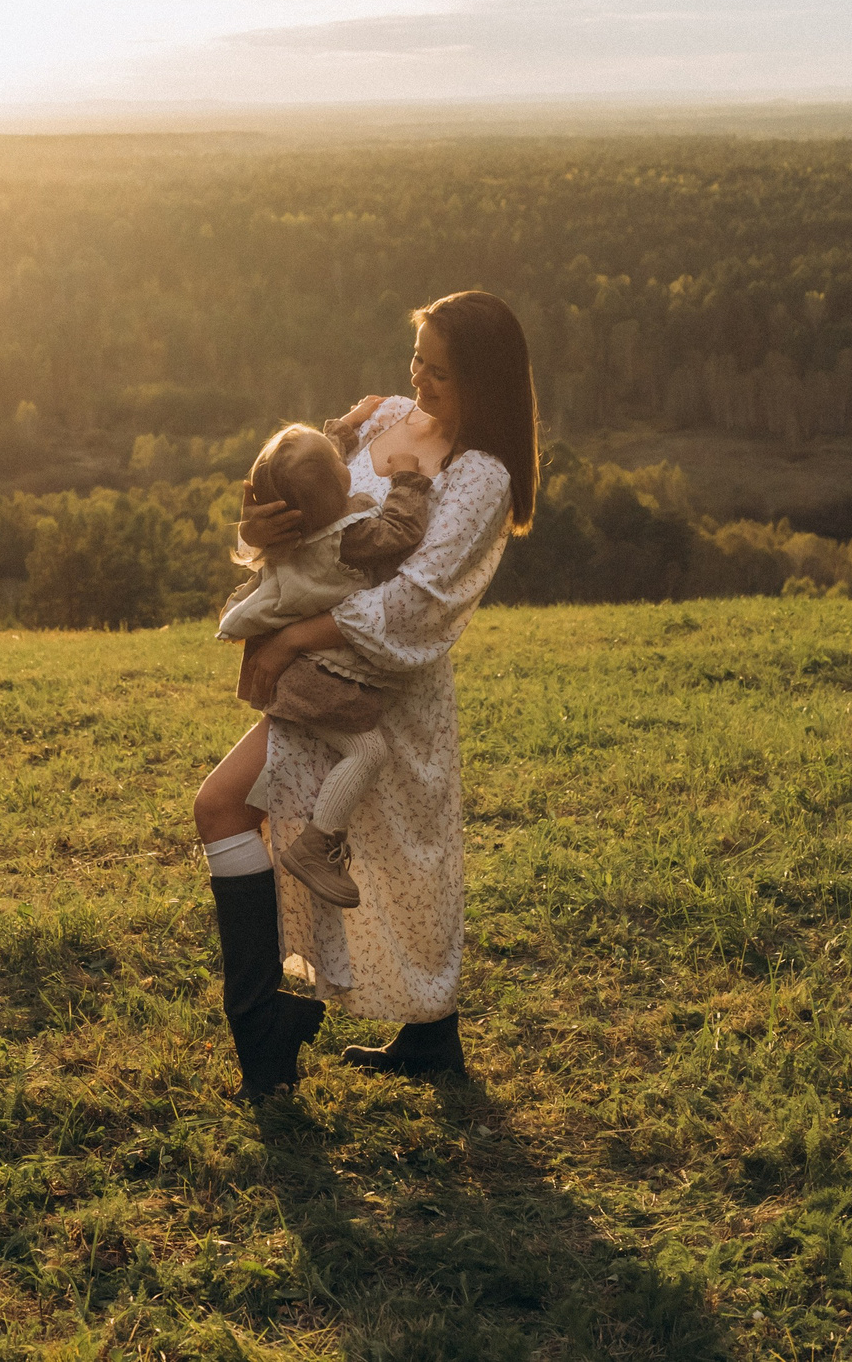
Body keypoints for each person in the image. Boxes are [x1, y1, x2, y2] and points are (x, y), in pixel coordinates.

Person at [192, 290, 539, 1101]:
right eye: (417, 356)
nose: (419, 379)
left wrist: (289, 639)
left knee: (400, 860)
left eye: (442, 373)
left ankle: (331, 1039)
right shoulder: (381, 418)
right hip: (322, 684)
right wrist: (260, 526)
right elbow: (306, 519)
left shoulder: (480, 475)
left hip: (382, 686)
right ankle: (331, 1037)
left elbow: (415, 603)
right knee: (246, 816)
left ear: (484, 385)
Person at [214, 421, 434, 909]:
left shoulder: (293, 531)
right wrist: (407, 480)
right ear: (338, 488)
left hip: (297, 670)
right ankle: (318, 843)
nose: (346, 459)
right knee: (367, 752)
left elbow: (313, 471)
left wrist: (345, 430)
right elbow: (401, 531)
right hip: (318, 679)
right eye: (340, 462)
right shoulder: (349, 537)